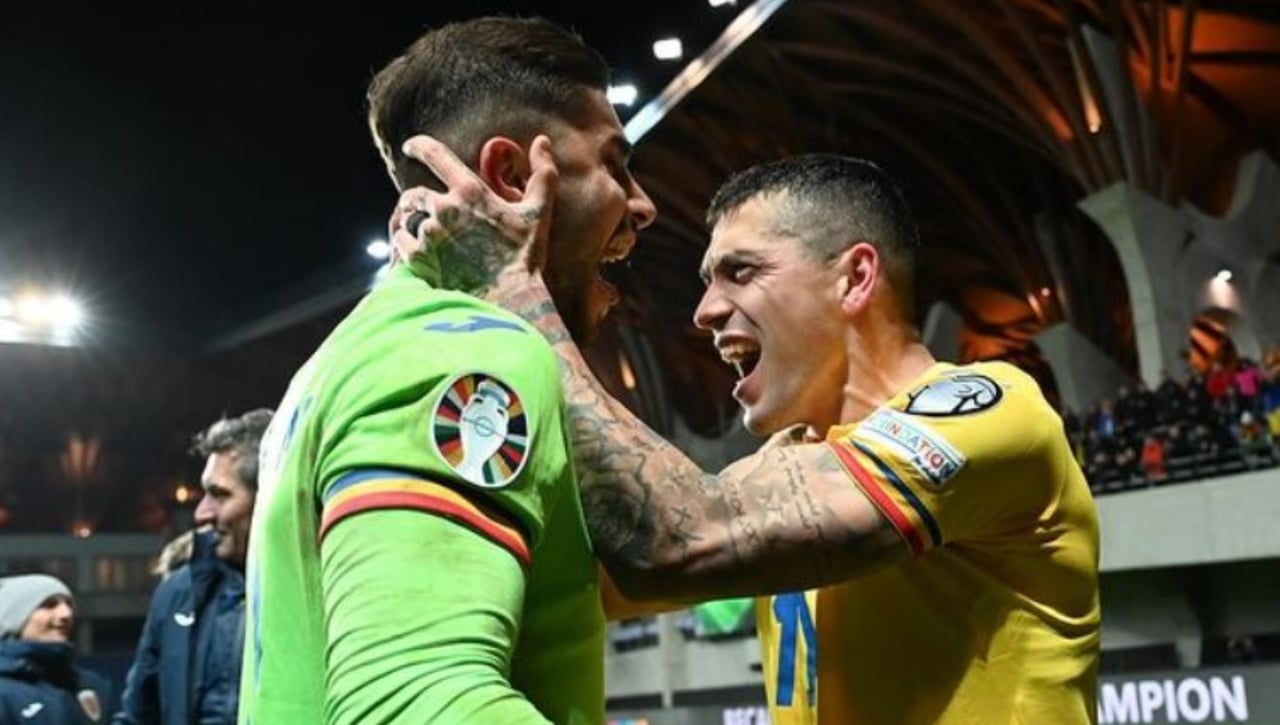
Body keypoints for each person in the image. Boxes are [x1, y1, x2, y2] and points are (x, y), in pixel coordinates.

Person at [390, 149, 1101, 724]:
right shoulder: (784, 462)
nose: (704, 310)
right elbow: (589, 579)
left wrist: (515, 293)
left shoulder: (985, 410)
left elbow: (688, 537)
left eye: (741, 271)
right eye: (708, 280)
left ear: (855, 277)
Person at [240, 15, 656, 724]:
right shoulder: (468, 349)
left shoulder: (343, 356)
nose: (643, 205)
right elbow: (410, 701)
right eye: (615, 165)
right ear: (513, 176)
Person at [114, 409, 272, 725]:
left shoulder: (316, 588)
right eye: (205, 493)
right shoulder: (176, 594)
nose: (202, 513)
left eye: (220, 495)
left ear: (267, 496)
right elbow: (138, 714)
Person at [0, 574, 115, 724]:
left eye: (68, 604)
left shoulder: (92, 686)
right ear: (15, 618)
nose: (66, 614)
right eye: (49, 605)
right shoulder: (4, 692)